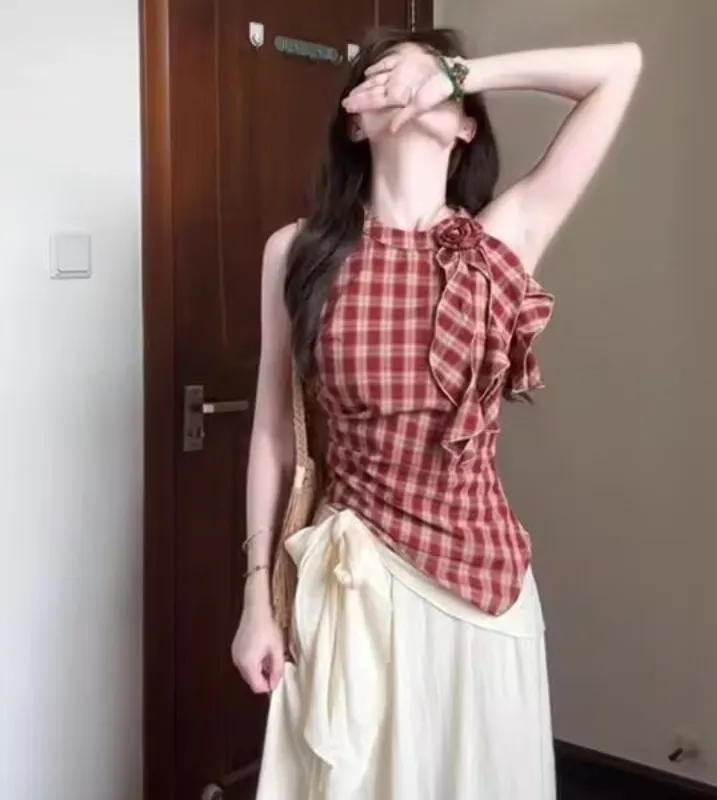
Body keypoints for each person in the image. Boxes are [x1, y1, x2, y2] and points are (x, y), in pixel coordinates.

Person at [232, 26, 642, 800]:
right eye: (382, 77)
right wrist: (258, 597)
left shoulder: (500, 239)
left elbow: (620, 70)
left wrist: (458, 73)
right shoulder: (297, 251)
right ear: (356, 121)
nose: (408, 87)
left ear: (465, 127)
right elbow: (272, 433)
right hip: (352, 587)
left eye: (434, 83)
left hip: (480, 590)